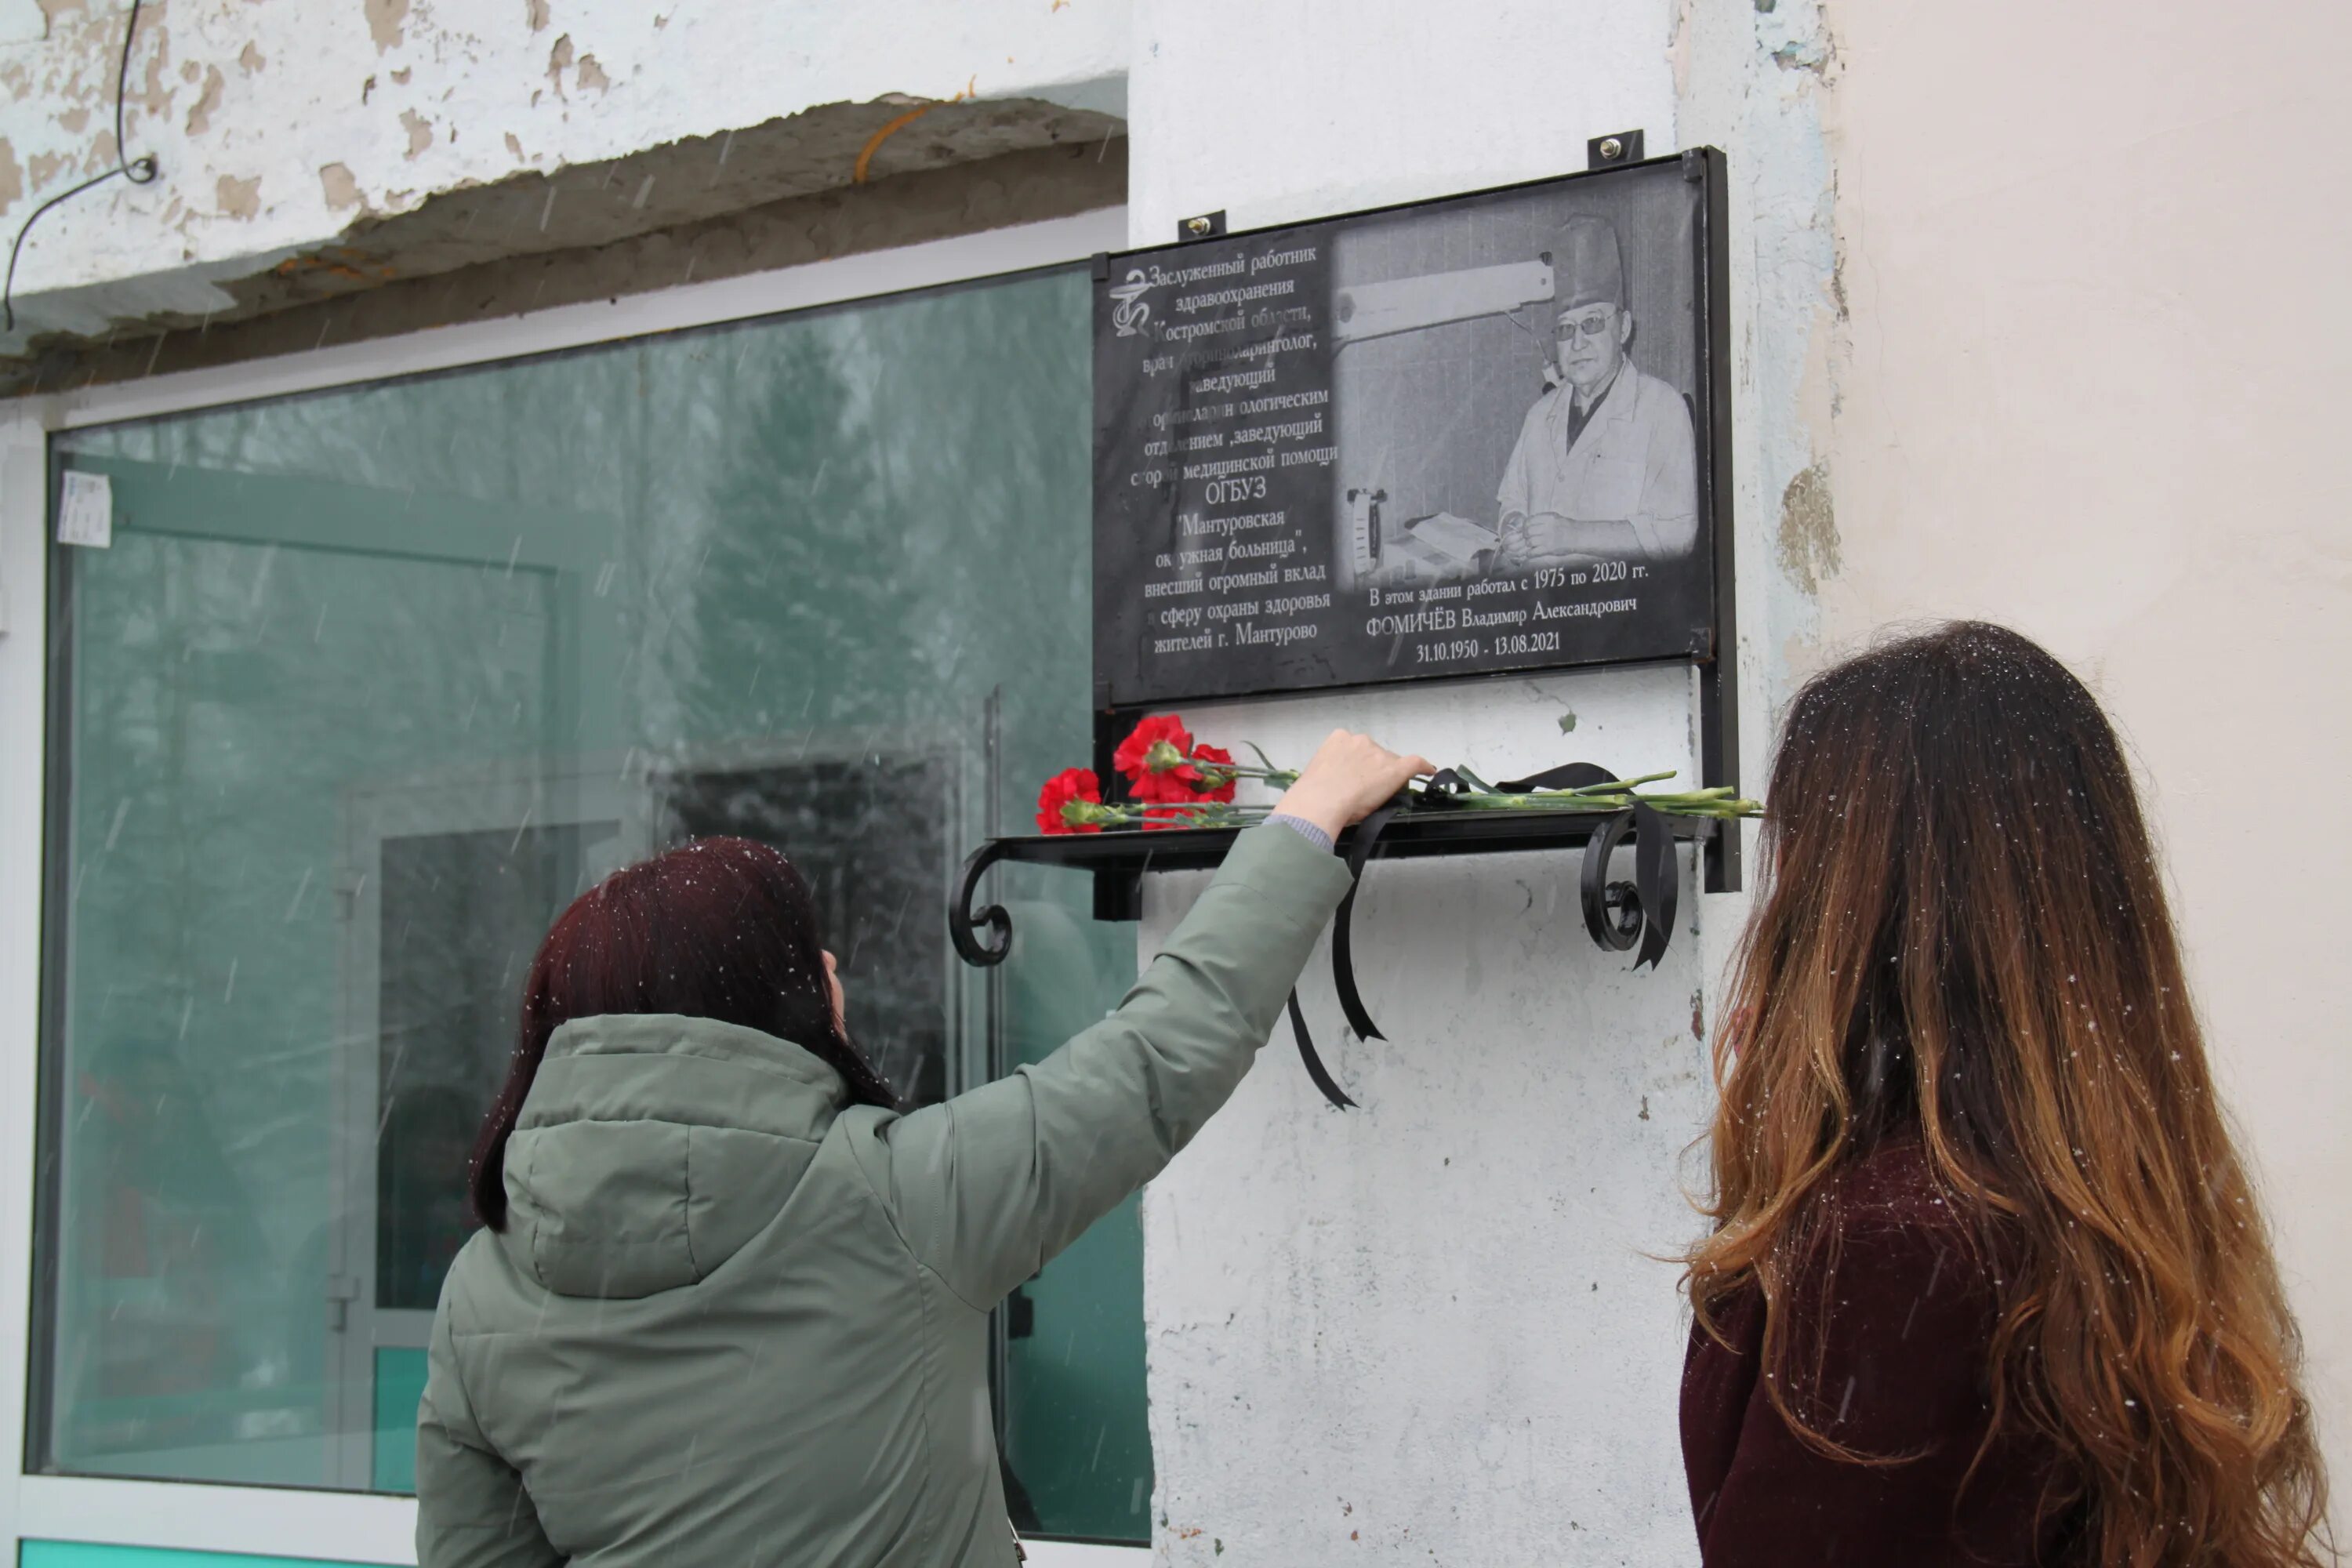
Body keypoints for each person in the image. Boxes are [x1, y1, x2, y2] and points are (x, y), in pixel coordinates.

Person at [414, 730, 1431, 1568]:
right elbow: (1160, 1056)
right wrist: (1309, 816)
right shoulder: (896, 1199)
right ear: (786, 1000)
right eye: (812, 962)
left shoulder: (482, 1293)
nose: (835, 971)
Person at [1680, 622, 2332, 1567]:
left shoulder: (1891, 1248)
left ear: (1855, 912)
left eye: (1798, 869)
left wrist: (1768, 1183)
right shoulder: (2114, 1202)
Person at [1493, 214, 1698, 571]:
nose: (1578, 343)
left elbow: (1677, 535)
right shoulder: (1540, 416)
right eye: (1565, 329)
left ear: (1624, 329)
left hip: (1621, 610)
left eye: (1592, 324)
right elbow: (1512, 499)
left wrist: (1573, 536)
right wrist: (1512, 527)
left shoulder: (1663, 410)